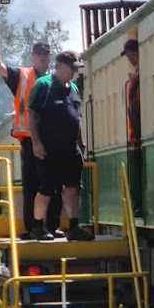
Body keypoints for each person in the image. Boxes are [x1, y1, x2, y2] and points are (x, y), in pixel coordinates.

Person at [0, 29, 60, 233]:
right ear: (32, 56)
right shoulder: (21, 75)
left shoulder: (55, 79)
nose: (42, 57)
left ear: (49, 57)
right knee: (32, 185)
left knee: (53, 185)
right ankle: (33, 227)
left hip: (51, 140)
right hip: (29, 140)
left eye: (45, 54)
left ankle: (53, 226)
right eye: (38, 54)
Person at [27, 51, 88, 241]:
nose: (74, 72)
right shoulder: (43, 85)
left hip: (70, 148)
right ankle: (37, 226)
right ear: (60, 66)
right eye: (72, 68)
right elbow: (32, 115)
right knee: (47, 188)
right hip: (48, 148)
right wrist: (36, 143)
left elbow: (76, 118)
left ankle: (74, 226)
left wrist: (81, 144)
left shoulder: (74, 88)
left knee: (73, 187)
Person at [121, 37, 142, 214]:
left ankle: (138, 205)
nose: (131, 59)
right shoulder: (133, 76)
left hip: (140, 131)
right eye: (128, 56)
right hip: (134, 133)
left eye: (132, 55)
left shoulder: (140, 75)